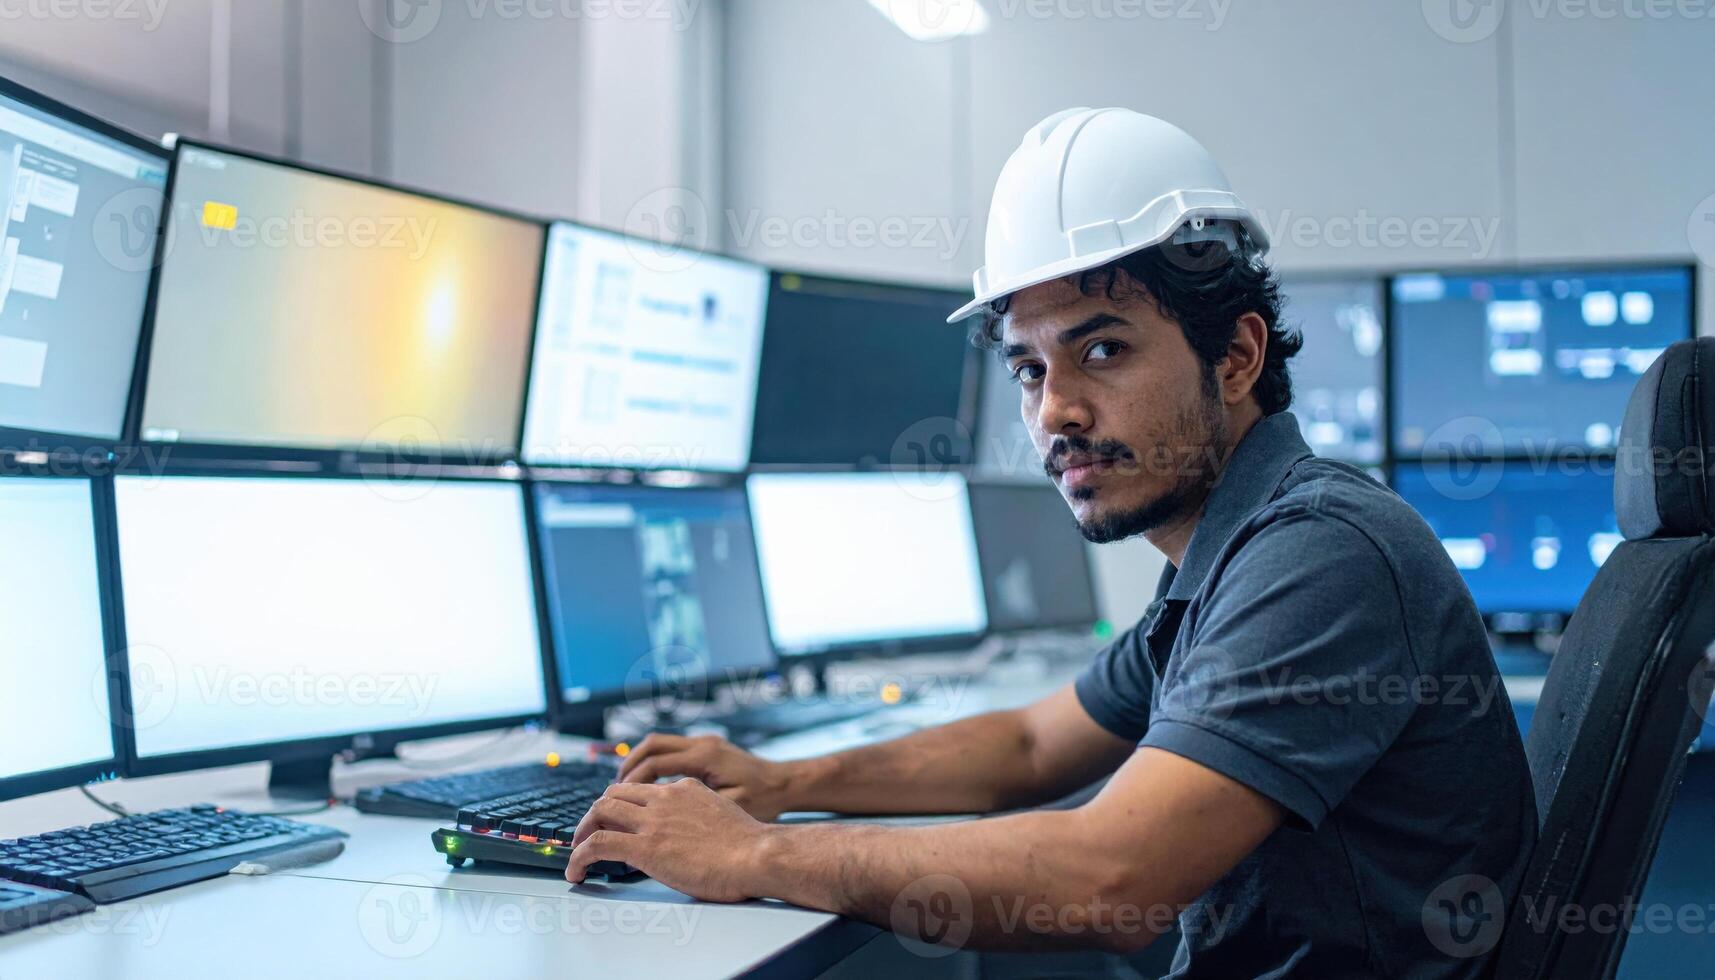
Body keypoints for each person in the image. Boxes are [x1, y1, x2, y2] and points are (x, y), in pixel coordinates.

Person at [564, 108, 1537, 976]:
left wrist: (751, 853)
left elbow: (1108, 878)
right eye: (1028, 370)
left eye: (1101, 348)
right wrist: (782, 781)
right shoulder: (1223, 558)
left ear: (1234, 355)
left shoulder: (1319, 553)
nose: (1056, 410)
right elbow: (1029, 744)